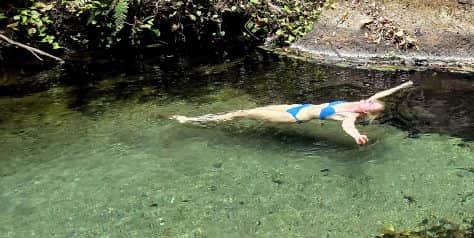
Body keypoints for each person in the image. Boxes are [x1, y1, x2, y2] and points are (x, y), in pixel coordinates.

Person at [171, 81, 413, 146]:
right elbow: (382, 93)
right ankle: (201, 120)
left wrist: (355, 137)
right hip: (296, 106)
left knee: (242, 113)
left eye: (370, 104)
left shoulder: (350, 117)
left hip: (293, 117)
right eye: (370, 101)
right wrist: (402, 87)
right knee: (251, 110)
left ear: (367, 112)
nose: (368, 100)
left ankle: (191, 121)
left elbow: (347, 128)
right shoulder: (360, 103)